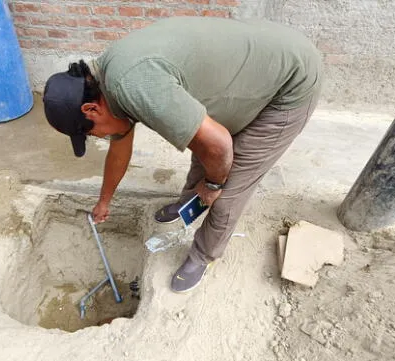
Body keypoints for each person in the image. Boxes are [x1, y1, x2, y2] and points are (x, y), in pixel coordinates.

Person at [42, 16, 322, 293]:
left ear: (91, 109)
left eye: (92, 134)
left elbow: (220, 144)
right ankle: (189, 204)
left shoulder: (136, 86)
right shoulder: (107, 78)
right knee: (202, 149)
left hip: (290, 84)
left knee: (229, 188)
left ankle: (204, 256)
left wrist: (213, 185)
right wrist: (104, 201)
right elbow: (120, 145)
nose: (99, 137)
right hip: (253, 67)